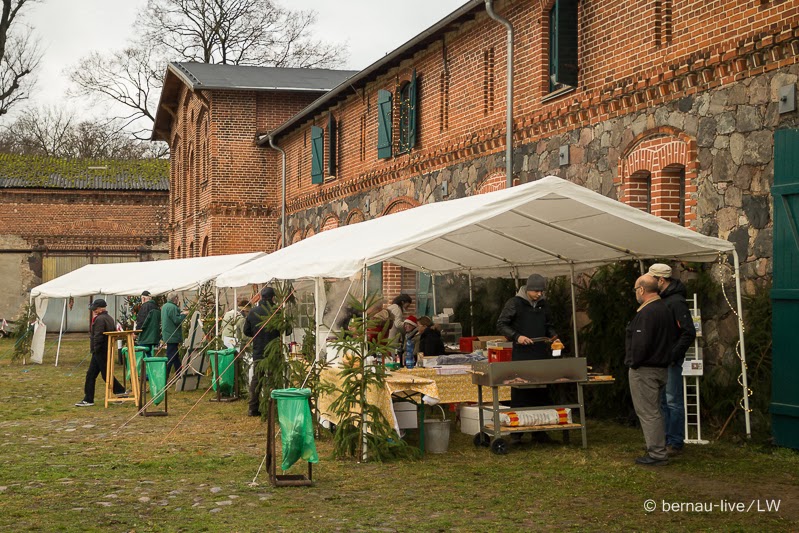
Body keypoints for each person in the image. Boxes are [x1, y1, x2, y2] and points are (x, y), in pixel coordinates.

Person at [497, 273, 559, 443]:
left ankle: (540, 432)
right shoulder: (514, 303)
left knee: (541, 392)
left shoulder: (544, 305)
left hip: (540, 354)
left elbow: (549, 326)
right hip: (522, 355)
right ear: (528, 289)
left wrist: (554, 337)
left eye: (542, 291)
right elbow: (501, 324)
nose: (540, 294)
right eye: (536, 291)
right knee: (521, 393)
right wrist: (517, 337)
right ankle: (516, 433)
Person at [626, 275, 679, 466]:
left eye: (635, 290)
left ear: (641, 290)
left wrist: (633, 362)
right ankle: (658, 447)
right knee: (656, 411)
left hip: (645, 369)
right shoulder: (665, 308)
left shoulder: (648, 312)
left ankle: (657, 453)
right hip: (661, 367)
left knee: (648, 412)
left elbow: (641, 344)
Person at [647, 263, 697, 456]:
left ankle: (675, 442)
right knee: (663, 402)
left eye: (652, 279)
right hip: (661, 360)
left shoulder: (676, 301)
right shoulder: (663, 299)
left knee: (673, 401)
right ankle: (666, 440)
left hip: (669, 361)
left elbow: (688, 332)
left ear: (660, 280)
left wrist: (673, 355)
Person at [75, 299, 126, 407]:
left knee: (100, 374)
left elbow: (98, 336)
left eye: (95, 308)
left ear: (100, 308)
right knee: (96, 374)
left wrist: (94, 349)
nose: (93, 311)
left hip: (100, 350)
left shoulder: (99, 319)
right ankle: (118, 392)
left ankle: (90, 399)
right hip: (105, 349)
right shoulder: (109, 318)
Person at [243, 286, 283, 417]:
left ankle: (252, 408)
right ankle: (273, 407)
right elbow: (284, 329)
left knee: (257, 379)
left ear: (260, 297)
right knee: (272, 378)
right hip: (273, 350)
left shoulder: (253, 312)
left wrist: (256, 335)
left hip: (258, 349)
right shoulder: (276, 312)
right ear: (272, 298)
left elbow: (246, 331)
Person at [161, 292, 186, 378]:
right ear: (175, 299)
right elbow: (177, 320)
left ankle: (179, 374)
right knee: (171, 357)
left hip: (167, 334)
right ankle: (165, 375)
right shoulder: (173, 307)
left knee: (175, 357)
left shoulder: (165, 306)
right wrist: (183, 315)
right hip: (173, 335)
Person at [386, 293, 412, 358]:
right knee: (392, 356)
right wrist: (408, 324)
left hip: (388, 336)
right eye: (407, 305)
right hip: (392, 337)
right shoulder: (397, 309)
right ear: (402, 302)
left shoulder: (392, 307)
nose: (407, 308)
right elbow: (398, 324)